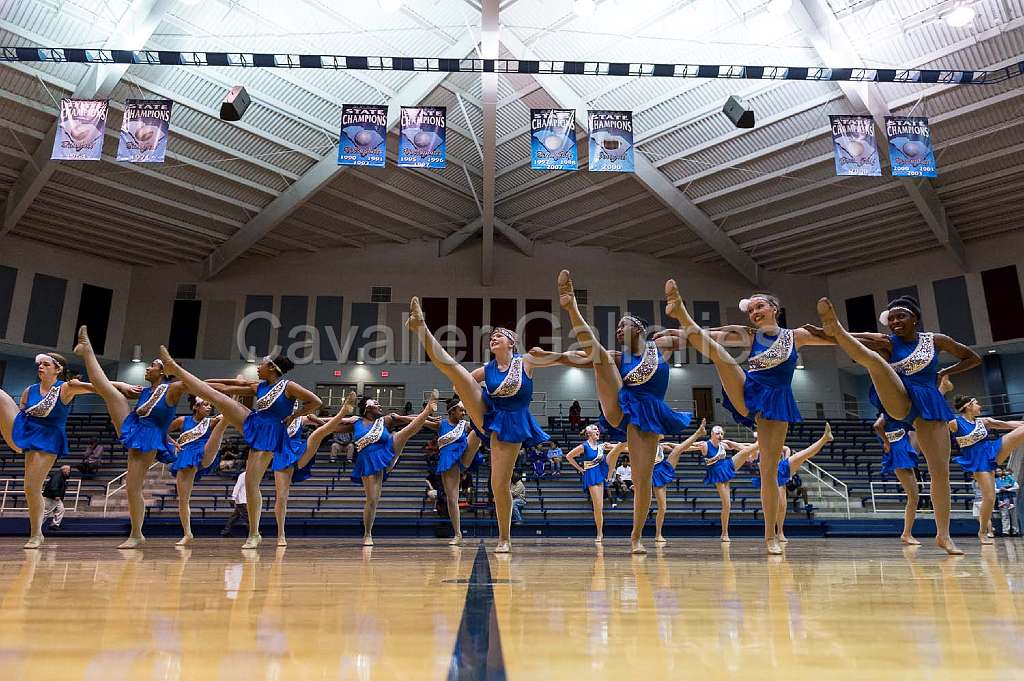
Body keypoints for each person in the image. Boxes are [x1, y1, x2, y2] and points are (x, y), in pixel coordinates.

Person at [657, 285, 834, 555]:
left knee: (769, 474)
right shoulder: (748, 335)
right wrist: (676, 333)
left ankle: (771, 537)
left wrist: (881, 342)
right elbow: (710, 335)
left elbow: (841, 339)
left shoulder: (796, 336)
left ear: (774, 308)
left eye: (759, 307)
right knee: (719, 353)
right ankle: (681, 311)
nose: (754, 313)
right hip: (748, 390)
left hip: (775, 404)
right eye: (750, 310)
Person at [807, 296, 980, 555]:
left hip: (929, 403)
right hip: (898, 399)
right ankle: (837, 326)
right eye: (891, 318)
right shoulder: (888, 342)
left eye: (901, 316)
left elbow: (973, 358)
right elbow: (864, 337)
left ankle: (943, 536)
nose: (895, 321)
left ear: (915, 318)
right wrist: (831, 333)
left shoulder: (936, 340)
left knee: (940, 473)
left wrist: (945, 373)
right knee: (874, 360)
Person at [410, 297, 567, 554]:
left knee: (499, 485)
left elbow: (562, 358)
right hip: (489, 414)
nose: (493, 338)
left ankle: (504, 537)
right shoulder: (488, 367)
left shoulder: (526, 361)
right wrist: (468, 386)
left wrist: (591, 358)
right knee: (453, 369)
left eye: (499, 336)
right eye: (492, 336)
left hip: (513, 423)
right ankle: (421, 326)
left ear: (511, 342)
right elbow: (458, 384)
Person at [558, 271, 692, 554]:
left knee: (643, 483)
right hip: (621, 409)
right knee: (599, 356)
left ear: (640, 328)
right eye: (616, 327)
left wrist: (680, 315)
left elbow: (699, 337)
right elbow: (578, 356)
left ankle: (636, 537)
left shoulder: (662, 346)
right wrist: (547, 358)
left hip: (649, 416)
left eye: (623, 325)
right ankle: (571, 306)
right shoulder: (618, 358)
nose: (618, 330)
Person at [156, 344, 323, 549]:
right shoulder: (258, 387)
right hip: (253, 421)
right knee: (217, 396)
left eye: (261, 365)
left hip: (270, 434)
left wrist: (293, 416)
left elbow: (315, 401)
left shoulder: (288, 386)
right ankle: (178, 371)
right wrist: (196, 383)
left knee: (252, 484)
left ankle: (254, 534)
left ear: (272, 368)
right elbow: (227, 387)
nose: (257, 368)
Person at [0, 349, 138, 548]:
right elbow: (23, 410)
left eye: (46, 364)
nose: (41, 367)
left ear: (58, 369)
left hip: (47, 439)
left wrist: (122, 385)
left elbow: (97, 387)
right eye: (40, 364)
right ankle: (36, 534)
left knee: (30, 488)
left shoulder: (66, 388)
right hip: (24, 431)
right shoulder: (29, 390)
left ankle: (37, 534)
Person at [75, 328, 191, 549]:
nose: (147, 368)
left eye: (152, 366)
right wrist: (83, 386)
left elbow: (197, 384)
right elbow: (105, 387)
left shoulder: (172, 388)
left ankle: (137, 534)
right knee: (112, 393)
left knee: (132, 487)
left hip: (149, 436)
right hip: (134, 427)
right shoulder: (145, 392)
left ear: (163, 371)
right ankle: (87, 351)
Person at [300, 392, 438, 546]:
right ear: (367, 408)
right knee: (372, 501)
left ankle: (427, 409)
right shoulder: (356, 422)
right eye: (376, 403)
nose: (380, 406)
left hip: (388, 453)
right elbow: (332, 425)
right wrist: (312, 420)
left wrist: (427, 417)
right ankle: (367, 533)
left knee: (403, 434)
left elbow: (406, 419)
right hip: (369, 462)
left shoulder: (385, 420)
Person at [607, 420, 709, 544]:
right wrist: (610, 446)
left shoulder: (663, 445)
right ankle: (638, 490)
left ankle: (658, 534)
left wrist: (697, 447)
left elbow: (681, 447)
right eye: (659, 431)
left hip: (661, 470)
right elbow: (625, 448)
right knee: (647, 503)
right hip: (648, 471)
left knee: (663, 507)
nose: (662, 433)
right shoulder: (642, 444)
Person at [948, 394, 1024, 545]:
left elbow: (1006, 424)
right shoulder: (955, 423)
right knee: (989, 498)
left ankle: (983, 531)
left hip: (992, 450)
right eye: (977, 403)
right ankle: (982, 531)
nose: (980, 407)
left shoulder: (984, 421)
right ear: (968, 406)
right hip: (977, 461)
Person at [167, 397, 230, 546]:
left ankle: (232, 401)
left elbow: (227, 411)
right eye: (205, 405)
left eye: (210, 405)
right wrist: (174, 443)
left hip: (205, 452)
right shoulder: (183, 421)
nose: (209, 407)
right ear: (196, 407)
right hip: (187, 455)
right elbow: (162, 431)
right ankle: (187, 533)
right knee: (183, 499)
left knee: (224, 420)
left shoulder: (211, 421)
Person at [424, 396, 483, 545]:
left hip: (464, 457)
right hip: (449, 463)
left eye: (464, 410)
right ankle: (458, 533)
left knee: (479, 430)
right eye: (461, 410)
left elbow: (480, 427)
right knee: (452, 499)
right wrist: (400, 417)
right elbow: (418, 421)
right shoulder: (441, 424)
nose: (463, 413)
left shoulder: (465, 424)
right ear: (452, 411)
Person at [565, 425, 628, 543]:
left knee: (616, 449)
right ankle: (599, 533)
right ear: (588, 433)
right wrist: (580, 468)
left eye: (598, 429)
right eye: (594, 429)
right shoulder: (584, 446)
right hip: (591, 475)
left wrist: (631, 447)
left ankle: (629, 439)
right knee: (598, 507)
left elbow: (621, 449)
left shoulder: (602, 446)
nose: (597, 430)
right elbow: (569, 456)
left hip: (602, 471)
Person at [694, 423, 754, 543]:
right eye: (717, 433)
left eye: (721, 433)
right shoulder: (705, 445)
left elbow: (738, 447)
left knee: (747, 450)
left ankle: (759, 445)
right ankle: (724, 532)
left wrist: (732, 443)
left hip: (727, 466)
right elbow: (689, 446)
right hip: (717, 473)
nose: (720, 435)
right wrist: (677, 447)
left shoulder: (723, 444)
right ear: (712, 434)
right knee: (727, 505)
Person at [873, 413, 921, 545]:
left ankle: (907, 533)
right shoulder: (886, 413)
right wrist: (886, 442)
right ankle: (906, 534)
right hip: (898, 452)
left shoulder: (900, 414)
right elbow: (877, 425)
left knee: (914, 498)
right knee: (913, 498)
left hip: (904, 448)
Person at [41, 464, 71, 531]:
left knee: (61, 509)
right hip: (51, 497)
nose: (69, 471)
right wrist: (56, 494)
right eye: (68, 470)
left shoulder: (61, 476)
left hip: (55, 497)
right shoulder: (57, 476)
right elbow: (53, 486)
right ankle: (35, 527)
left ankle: (55, 525)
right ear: (63, 470)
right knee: (46, 512)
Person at [221, 468, 248, 538]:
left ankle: (226, 531)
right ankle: (252, 532)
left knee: (234, 517)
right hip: (242, 501)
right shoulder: (243, 475)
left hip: (243, 500)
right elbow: (237, 487)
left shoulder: (249, 475)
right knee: (248, 518)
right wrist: (233, 498)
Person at [995, 467, 1019, 536]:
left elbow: (1017, 486)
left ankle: (1015, 530)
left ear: (1002, 471)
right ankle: (1005, 531)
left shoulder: (1009, 477)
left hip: (1011, 497)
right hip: (1001, 498)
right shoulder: (995, 480)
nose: (998, 472)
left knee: (1013, 514)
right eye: (997, 471)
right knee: (1004, 514)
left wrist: (1008, 489)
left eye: (999, 471)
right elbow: (994, 489)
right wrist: (1000, 490)